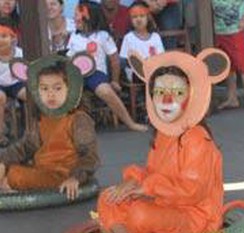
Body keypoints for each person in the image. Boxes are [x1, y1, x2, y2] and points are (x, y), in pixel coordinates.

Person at [96, 48, 230, 233]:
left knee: (140, 214)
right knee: (108, 198)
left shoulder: (197, 138)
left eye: (177, 92)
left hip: (195, 216)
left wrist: (147, 188)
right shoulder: (164, 133)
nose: (167, 100)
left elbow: (192, 190)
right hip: (165, 205)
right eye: (160, 92)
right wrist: (132, 182)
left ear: (191, 96)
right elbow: (153, 174)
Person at [0, 54, 100, 199]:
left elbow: (90, 156)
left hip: (63, 173)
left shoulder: (78, 119)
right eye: (44, 89)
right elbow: (26, 147)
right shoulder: (41, 117)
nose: (50, 94)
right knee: (5, 167)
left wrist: (76, 177)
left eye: (57, 88)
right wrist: (2, 158)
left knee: (16, 176)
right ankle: (6, 184)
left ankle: (7, 185)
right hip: (41, 170)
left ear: (70, 89)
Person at [66, 1, 147, 132]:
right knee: (66, 93)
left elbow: (114, 60)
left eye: (77, 15)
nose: (75, 18)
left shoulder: (103, 36)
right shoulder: (74, 37)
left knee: (106, 91)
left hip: (96, 74)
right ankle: (67, 128)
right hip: (76, 75)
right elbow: (69, 57)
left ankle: (130, 123)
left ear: (89, 17)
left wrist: (114, 81)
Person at [212, 0, 244, 114]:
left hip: (235, 30)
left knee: (243, 63)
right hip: (220, 30)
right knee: (227, 64)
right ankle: (232, 98)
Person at [119, 1, 164, 81]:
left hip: (154, 71)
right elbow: (123, 60)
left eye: (142, 16)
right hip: (135, 74)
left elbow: (161, 57)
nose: (138, 19)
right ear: (130, 20)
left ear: (148, 18)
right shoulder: (128, 38)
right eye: (134, 17)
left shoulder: (155, 37)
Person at [0, 17, 25, 147]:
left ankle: (32, 127)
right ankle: (0, 133)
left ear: (13, 38)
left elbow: (25, 73)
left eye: (4, 36)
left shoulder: (19, 53)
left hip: (16, 83)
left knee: (29, 95)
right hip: (0, 86)